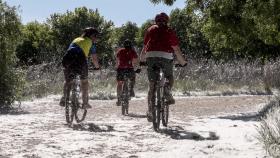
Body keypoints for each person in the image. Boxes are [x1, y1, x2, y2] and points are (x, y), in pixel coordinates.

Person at [140, 12, 187, 119]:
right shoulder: (170, 31)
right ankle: (167, 89)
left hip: (151, 56)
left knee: (152, 84)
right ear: (167, 21)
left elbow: (144, 48)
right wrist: (183, 62)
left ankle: (150, 111)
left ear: (156, 21)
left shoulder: (150, 29)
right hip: (166, 56)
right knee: (169, 76)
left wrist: (141, 61)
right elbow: (176, 49)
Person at [60, 27, 100, 109]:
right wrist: (97, 67)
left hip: (67, 58)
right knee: (84, 82)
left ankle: (64, 98)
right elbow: (94, 58)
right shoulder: (91, 43)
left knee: (68, 80)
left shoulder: (76, 39)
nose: (96, 38)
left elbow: (69, 50)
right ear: (92, 36)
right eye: (96, 36)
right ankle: (85, 103)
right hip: (80, 59)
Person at [115, 39, 139, 106]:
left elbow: (117, 61)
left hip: (121, 69)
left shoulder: (120, 51)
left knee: (119, 83)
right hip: (130, 69)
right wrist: (137, 68)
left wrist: (116, 67)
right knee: (133, 78)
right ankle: (131, 89)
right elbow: (136, 61)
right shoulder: (133, 51)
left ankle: (119, 99)